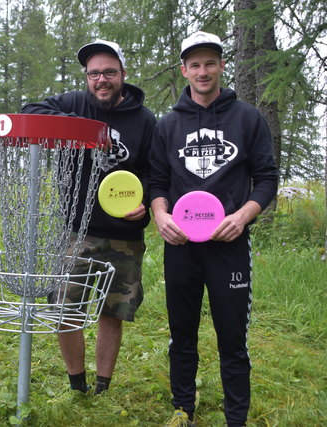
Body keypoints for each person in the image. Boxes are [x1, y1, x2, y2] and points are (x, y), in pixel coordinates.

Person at [149, 31, 278, 427]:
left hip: (229, 245)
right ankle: (182, 410)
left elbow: (267, 178)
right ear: (184, 69)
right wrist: (160, 215)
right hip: (182, 246)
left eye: (210, 63)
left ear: (222, 65)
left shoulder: (248, 118)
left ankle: (235, 417)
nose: (202, 71)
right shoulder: (168, 124)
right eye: (194, 64)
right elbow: (156, 182)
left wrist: (242, 217)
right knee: (181, 333)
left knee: (232, 340)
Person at [21, 39, 156, 395]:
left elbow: (154, 172)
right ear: (87, 77)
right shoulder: (75, 103)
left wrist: (145, 205)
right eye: (94, 73)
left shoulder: (144, 120)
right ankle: (77, 383)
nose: (101, 80)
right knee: (66, 311)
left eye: (109, 72)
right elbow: (29, 110)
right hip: (75, 230)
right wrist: (76, 126)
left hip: (125, 233)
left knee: (114, 313)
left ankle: (103, 386)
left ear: (123, 75)